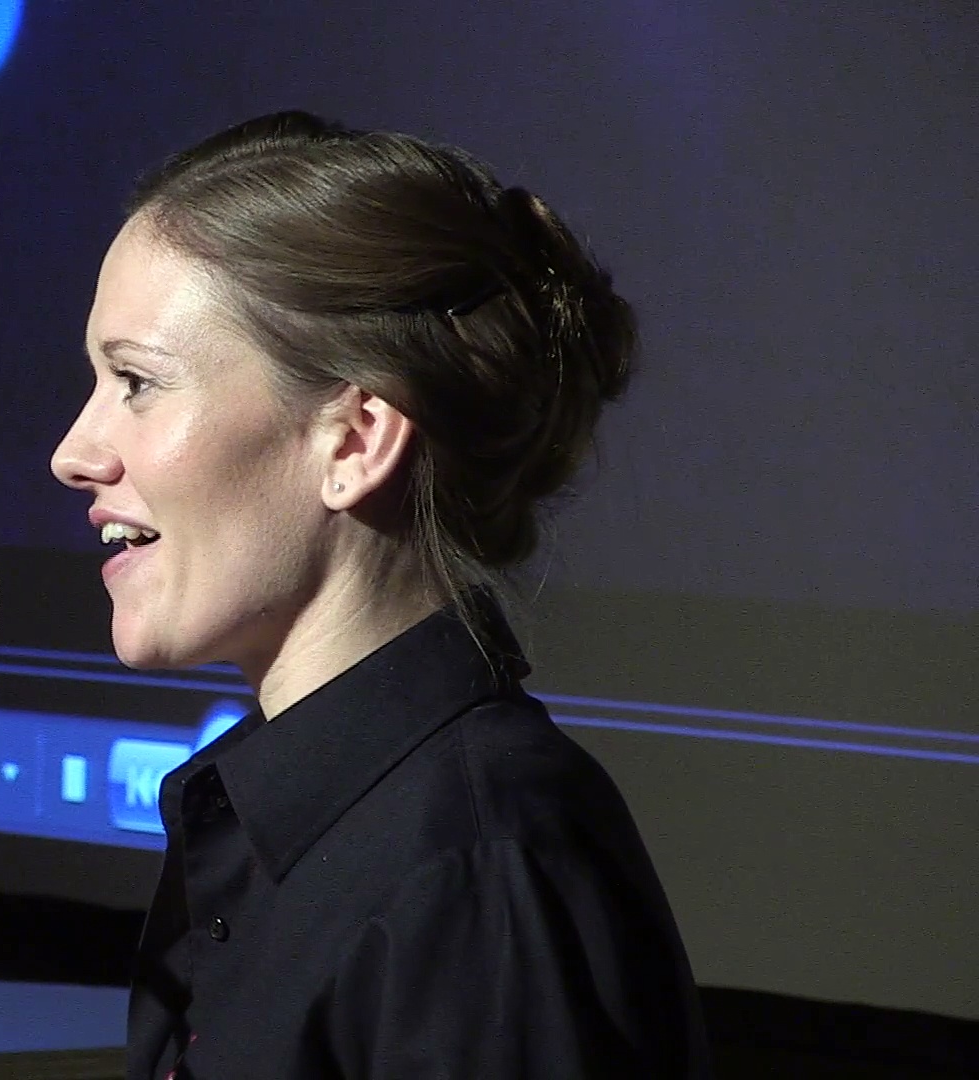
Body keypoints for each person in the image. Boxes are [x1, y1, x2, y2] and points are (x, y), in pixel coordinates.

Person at [50, 111, 712, 1079]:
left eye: (137, 382)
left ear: (354, 441)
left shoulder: (473, 867)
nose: (73, 453)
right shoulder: (287, 825)